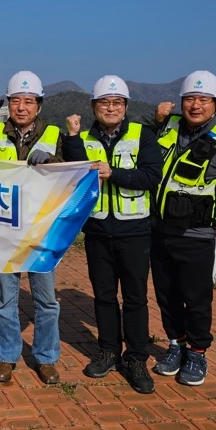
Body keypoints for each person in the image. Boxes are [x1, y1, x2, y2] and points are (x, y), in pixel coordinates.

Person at [150, 70, 216, 386]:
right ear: (182, 102)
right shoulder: (167, 128)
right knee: (166, 295)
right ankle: (176, 344)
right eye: (190, 99)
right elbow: (140, 147)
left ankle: (197, 352)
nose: (196, 105)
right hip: (159, 230)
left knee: (196, 299)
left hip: (196, 235)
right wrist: (155, 119)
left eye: (204, 99)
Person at [62, 75, 162, 394]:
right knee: (104, 296)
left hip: (134, 230)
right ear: (94, 106)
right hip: (97, 229)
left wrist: (114, 173)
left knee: (135, 298)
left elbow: (152, 176)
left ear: (126, 106)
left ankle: (136, 358)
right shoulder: (84, 137)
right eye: (104, 102)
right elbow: (72, 171)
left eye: (117, 102)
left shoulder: (142, 135)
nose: (110, 108)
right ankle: (108, 351)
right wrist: (72, 136)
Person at [0, 71, 64, 385]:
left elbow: (69, 171)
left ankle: (46, 358)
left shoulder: (54, 134)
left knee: (46, 300)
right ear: (8, 104)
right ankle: (6, 356)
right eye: (16, 101)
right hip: (4, 228)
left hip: (41, 230)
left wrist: (51, 160)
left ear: (39, 105)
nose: (22, 107)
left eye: (29, 101)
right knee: (5, 299)